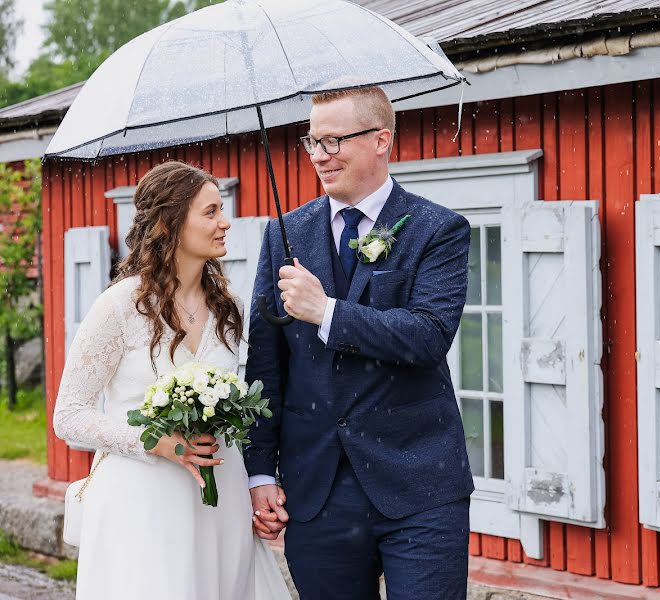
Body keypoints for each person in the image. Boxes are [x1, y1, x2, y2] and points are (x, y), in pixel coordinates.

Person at [245, 85, 475, 600]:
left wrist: (326, 311)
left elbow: (428, 335)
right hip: (317, 488)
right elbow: (266, 363)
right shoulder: (284, 232)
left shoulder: (437, 229)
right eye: (313, 142)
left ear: (380, 140)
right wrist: (259, 470)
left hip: (420, 485)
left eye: (335, 141)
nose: (321, 156)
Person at [53, 161, 290, 600]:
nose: (225, 222)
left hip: (219, 500)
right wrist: (157, 442)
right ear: (169, 222)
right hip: (144, 502)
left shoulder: (229, 308)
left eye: (223, 210)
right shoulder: (121, 306)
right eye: (211, 211)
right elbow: (68, 416)